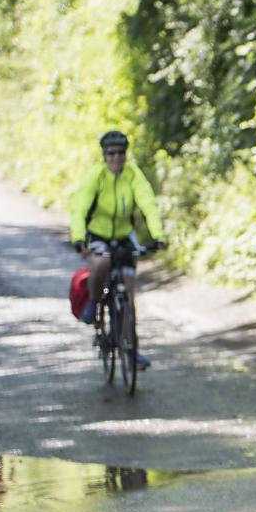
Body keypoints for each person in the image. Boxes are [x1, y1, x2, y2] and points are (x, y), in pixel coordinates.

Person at [68, 130, 168, 370]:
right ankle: (94, 303)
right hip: (98, 234)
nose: (116, 158)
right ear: (104, 155)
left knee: (128, 295)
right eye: (111, 153)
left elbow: (148, 204)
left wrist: (158, 236)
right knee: (101, 263)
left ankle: (131, 352)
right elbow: (80, 208)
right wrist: (79, 238)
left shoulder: (133, 174)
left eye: (121, 153)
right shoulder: (97, 175)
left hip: (124, 235)